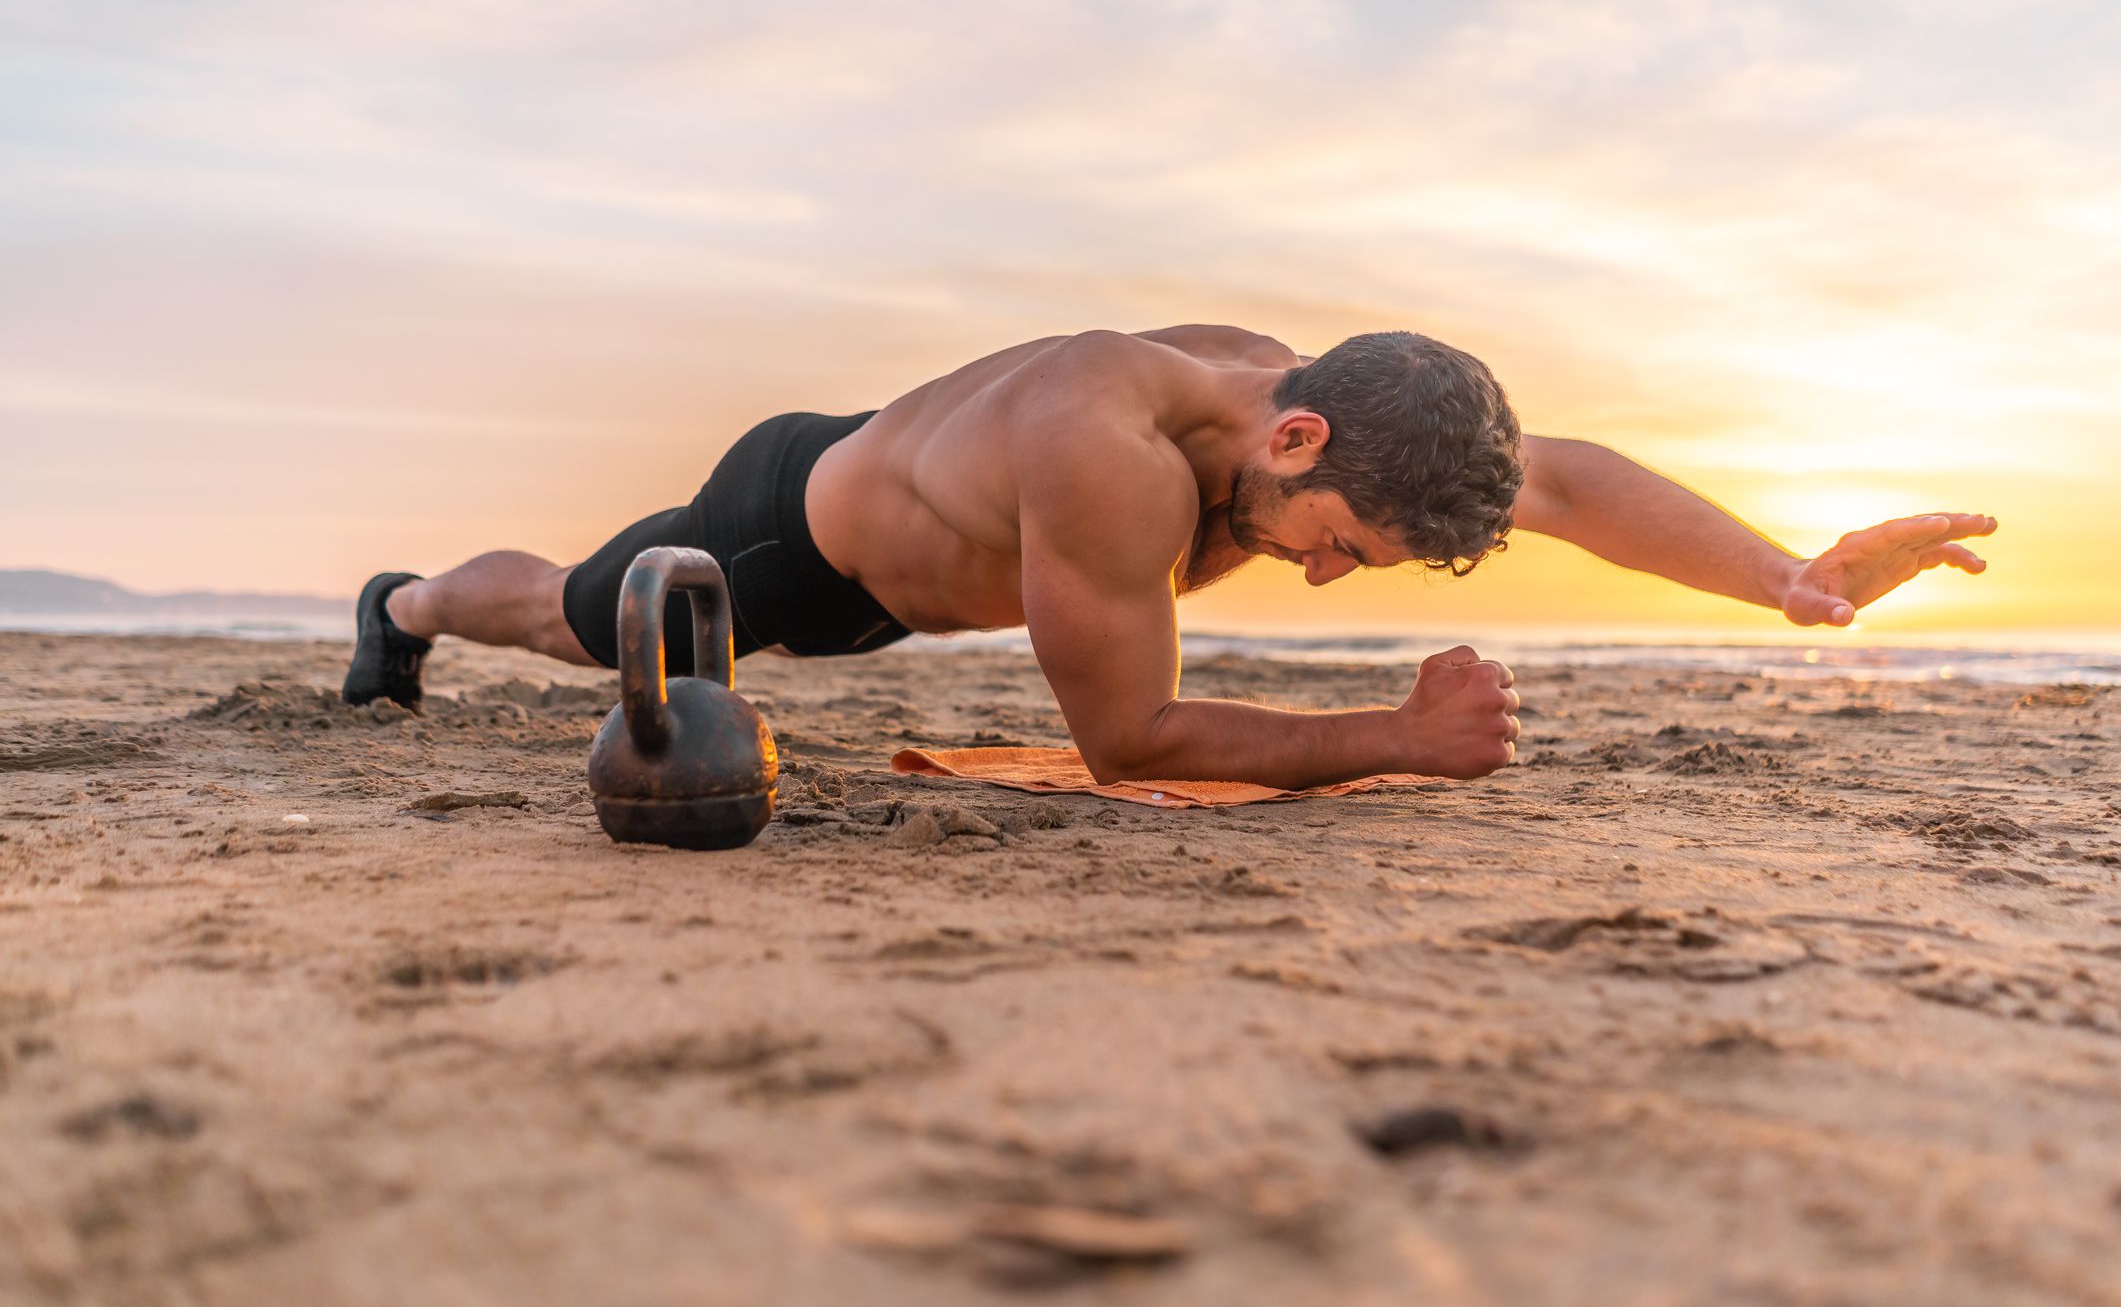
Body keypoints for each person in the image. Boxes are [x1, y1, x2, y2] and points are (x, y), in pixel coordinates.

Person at [342, 326, 1995, 788]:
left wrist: (1795, 575)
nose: (1327, 577)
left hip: (948, 507)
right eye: (1338, 550)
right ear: (1294, 444)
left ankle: (425, 601)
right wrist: (1396, 743)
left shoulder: (1314, 417)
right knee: (565, 619)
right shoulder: (1109, 458)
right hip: (794, 540)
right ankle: (402, 602)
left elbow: (1564, 480)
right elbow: (1122, 743)